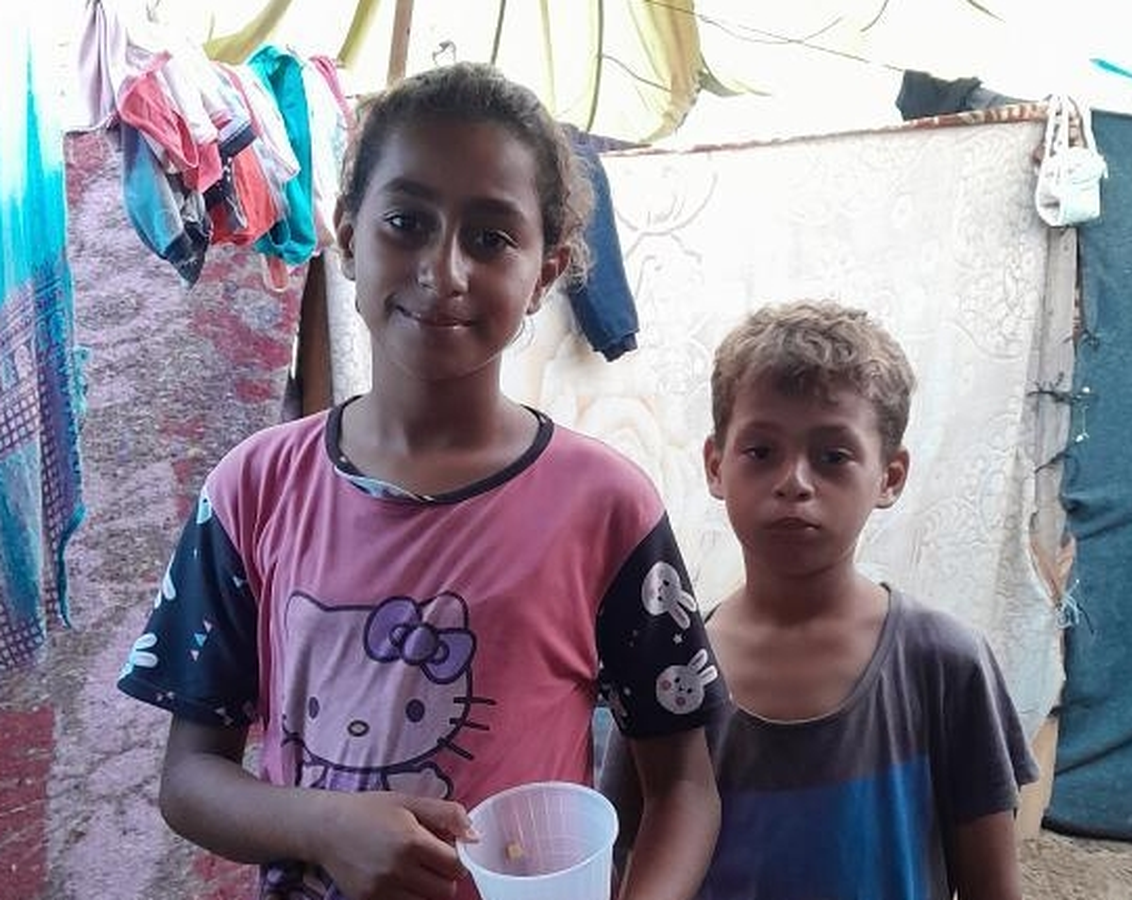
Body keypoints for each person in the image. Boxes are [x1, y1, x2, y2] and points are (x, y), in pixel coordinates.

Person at [117, 61, 726, 900]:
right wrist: (323, 825)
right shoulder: (250, 491)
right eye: (406, 222)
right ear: (347, 235)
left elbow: (684, 786)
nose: (444, 271)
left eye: (491, 238)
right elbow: (190, 780)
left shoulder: (608, 508)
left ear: (546, 273)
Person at [601, 300, 1038, 899]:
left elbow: (993, 886)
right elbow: (624, 863)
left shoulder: (947, 663)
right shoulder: (669, 672)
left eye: (833, 456)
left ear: (890, 476)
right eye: (761, 451)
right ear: (716, 465)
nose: (795, 482)